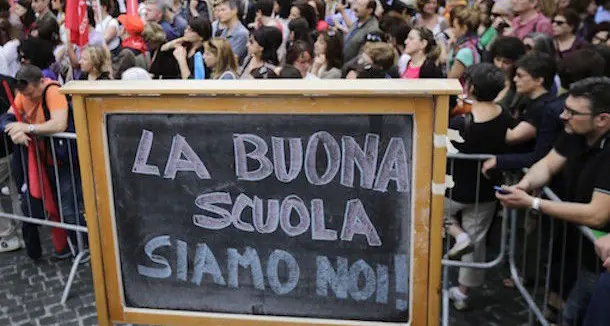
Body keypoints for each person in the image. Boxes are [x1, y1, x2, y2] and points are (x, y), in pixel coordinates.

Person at [495, 78, 610, 325]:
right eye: (564, 109)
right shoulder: (575, 133)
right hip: (574, 247)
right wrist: (523, 185)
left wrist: (533, 204)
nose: (563, 116)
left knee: (577, 314)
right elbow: (548, 164)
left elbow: (597, 215)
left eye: (572, 112)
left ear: (602, 120)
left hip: (598, 260)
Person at [445, 63, 513, 310]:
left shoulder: (460, 123)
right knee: (477, 239)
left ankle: (457, 236)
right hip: (485, 191)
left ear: (470, 87)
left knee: (438, 216)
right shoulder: (505, 117)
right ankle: (463, 293)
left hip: (453, 188)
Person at [4, 64, 86, 261]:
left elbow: (59, 124)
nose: (29, 98)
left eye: (32, 93)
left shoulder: (53, 91)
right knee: (56, 207)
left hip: (65, 161)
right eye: (25, 94)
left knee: (69, 207)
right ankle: (72, 246)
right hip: (47, 160)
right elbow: (7, 118)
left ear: (41, 82)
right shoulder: (24, 94)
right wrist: (16, 130)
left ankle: (84, 247)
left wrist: (26, 127)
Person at [482, 52, 563, 174]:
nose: (515, 79)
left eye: (520, 76)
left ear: (539, 80)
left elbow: (513, 136)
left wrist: (487, 112)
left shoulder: (542, 108)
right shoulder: (529, 101)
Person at [489, 36, 528, 114]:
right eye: (498, 59)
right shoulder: (490, 78)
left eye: (506, 62)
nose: (500, 65)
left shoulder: (520, 85)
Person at [447, 6, 481, 82]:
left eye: (454, 27)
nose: (452, 31)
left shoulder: (465, 52)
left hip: (462, 92)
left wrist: (449, 50)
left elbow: (451, 80)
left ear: (464, 29)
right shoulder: (476, 42)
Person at [212, 0, 249, 65]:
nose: (219, 14)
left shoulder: (242, 33)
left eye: (223, 10)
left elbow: (231, 59)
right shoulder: (225, 30)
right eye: (219, 10)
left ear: (234, 10)